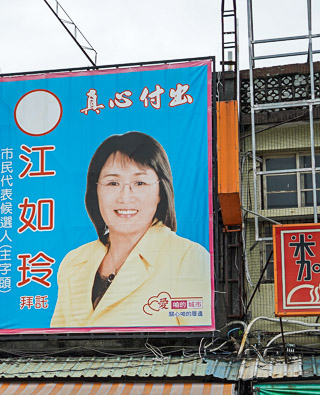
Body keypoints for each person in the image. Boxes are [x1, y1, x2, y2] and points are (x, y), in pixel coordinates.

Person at [50, 131, 211, 328]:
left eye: (140, 183)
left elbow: (202, 346)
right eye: (113, 183)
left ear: (161, 192)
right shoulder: (74, 262)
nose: (125, 196)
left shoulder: (188, 258)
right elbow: (57, 343)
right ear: (96, 191)